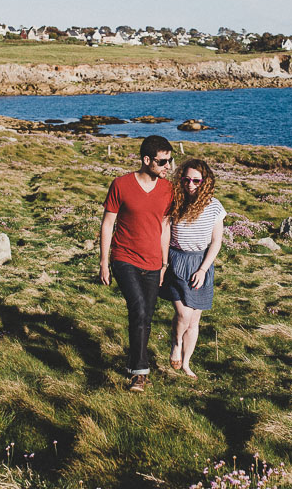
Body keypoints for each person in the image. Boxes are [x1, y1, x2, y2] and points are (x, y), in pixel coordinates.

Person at [99, 135, 174, 392]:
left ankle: (134, 364)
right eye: (163, 161)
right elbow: (108, 224)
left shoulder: (168, 190)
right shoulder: (121, 185)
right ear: (147, 160)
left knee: (145, 317)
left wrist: (164, 263)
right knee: (139, 309)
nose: (168, 166)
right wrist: (104, 262)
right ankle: (140, 373)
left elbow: (165, 227)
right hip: (124, 258)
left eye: (170, 160)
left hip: (153, 262)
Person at [161, 158, 225, 379]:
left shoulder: (214, 206)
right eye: (186, 179)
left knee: (194, 321)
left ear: (205, 182)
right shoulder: (175, 201)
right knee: (183, 314)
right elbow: (165, 233)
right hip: (177, 261)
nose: (190, 184)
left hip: (200, 264)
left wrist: (203, 269)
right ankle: (176, 342)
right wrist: (163, 263)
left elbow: (216, 241)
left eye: (196, 181)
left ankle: (187, 364)